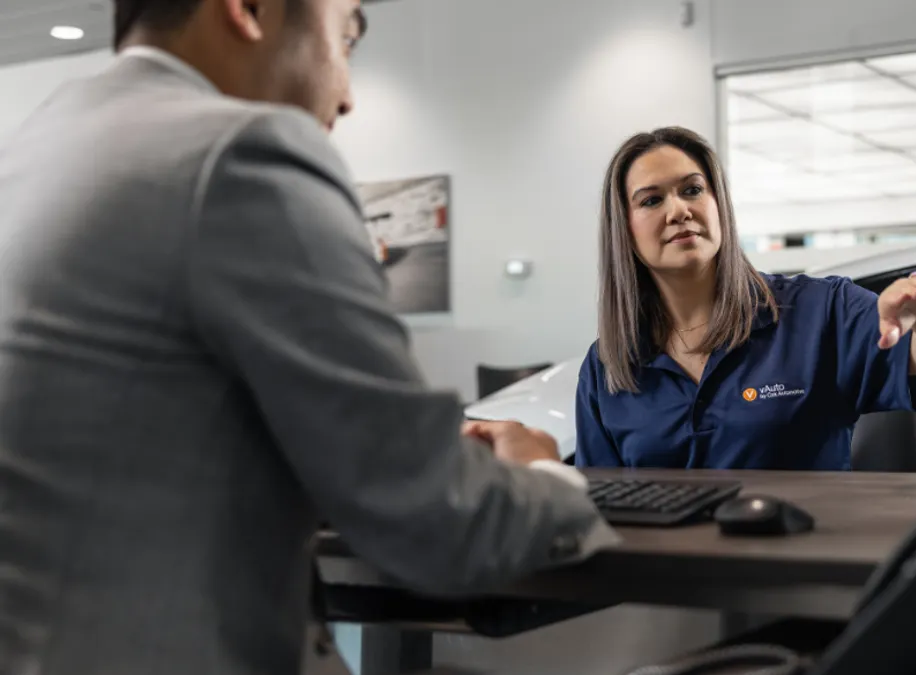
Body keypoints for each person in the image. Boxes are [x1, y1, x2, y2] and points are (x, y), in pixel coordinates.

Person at [0, 2, 617, 674]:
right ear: (248, 9)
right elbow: (438, 523)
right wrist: (549, 476)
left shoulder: (39, 149)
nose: (347, 96)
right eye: (345, 37)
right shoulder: (241, 152)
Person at [574, 127, 916, 470]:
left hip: (806, 545)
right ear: (624, 230)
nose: (679, 210)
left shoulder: (820, 311)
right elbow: (601, 506)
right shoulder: (606, 365)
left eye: (693, 190)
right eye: (651, 200)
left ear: (719, 205)